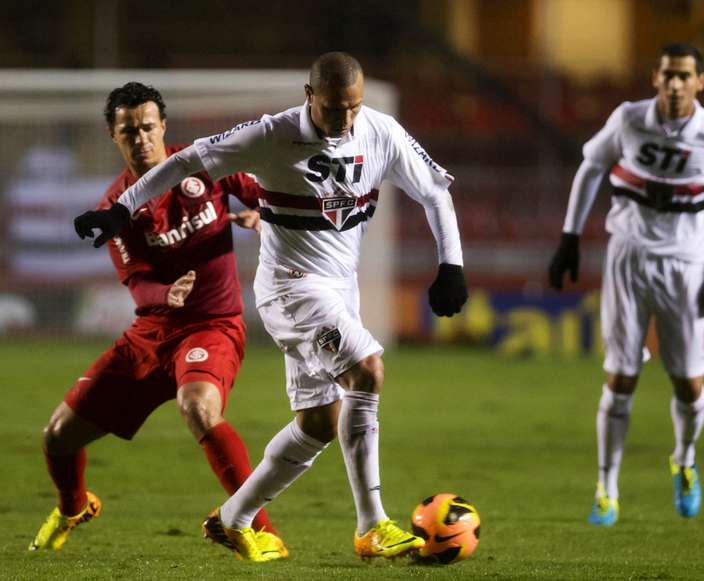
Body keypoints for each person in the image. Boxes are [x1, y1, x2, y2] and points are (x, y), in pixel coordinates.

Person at [74, 52, 468, 562]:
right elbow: (187, 160)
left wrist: (451, 265)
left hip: (339, 289)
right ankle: (372, 524)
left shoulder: (381, 131)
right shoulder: (270, 134)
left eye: (351, 107)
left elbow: (435, 190)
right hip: (290, 288)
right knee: (367, 372)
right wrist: (120, 210)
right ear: (309, 96)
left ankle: (234, 516)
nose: (343, 120)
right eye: (331, 108)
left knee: (320, 422)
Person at [31, 82, 286, 561]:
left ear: (164, 128)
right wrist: (165, 294)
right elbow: (137, 284)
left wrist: (260, 212)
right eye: (129, 130)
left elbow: (264, 190)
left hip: (214, 325)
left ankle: (260, 529)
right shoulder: (114, 208)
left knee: (197, 408)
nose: (141, 138)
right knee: (57, 437)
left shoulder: (204, 163)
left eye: (149, 127)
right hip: (150, 334)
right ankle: (74, 507)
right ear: (114, 135)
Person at [548, 43, 704, 526]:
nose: (675, 84)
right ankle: (606, 488)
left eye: (684, 76)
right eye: (668, 75)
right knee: (620, 377)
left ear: (701, 81)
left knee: (688, 383)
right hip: (628, 259)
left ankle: (683, 459)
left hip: (688, 267)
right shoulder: (629, 118)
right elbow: (592, 166)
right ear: (654, 78)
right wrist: (569, 237)